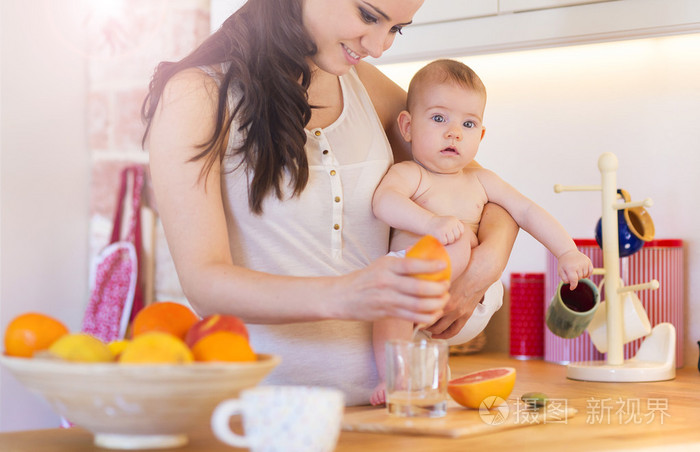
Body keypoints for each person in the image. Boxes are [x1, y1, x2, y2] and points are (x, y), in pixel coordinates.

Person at [142, 0, 518, 405]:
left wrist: (484, 267)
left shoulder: (364, 85)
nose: (378, 46)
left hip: (388, 409)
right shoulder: (195, 95)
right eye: (369, 15)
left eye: (397, 28)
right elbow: (204, 283)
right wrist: (346, 294)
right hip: (263, 412)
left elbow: (483, 191)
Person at [369, 59, 593, 405]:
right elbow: (384, 202)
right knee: (398, 316)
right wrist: (430, 224)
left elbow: (527, 210)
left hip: (472, 296)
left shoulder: (481, 181)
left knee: (455, 249)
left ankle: (411, 381)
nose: (454, 132)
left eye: (468, 123)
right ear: (408, 127)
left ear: (481, 135)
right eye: (439, 118)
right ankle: (396, 381)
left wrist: (567, 250)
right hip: (415, 283)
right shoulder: (411, 174)